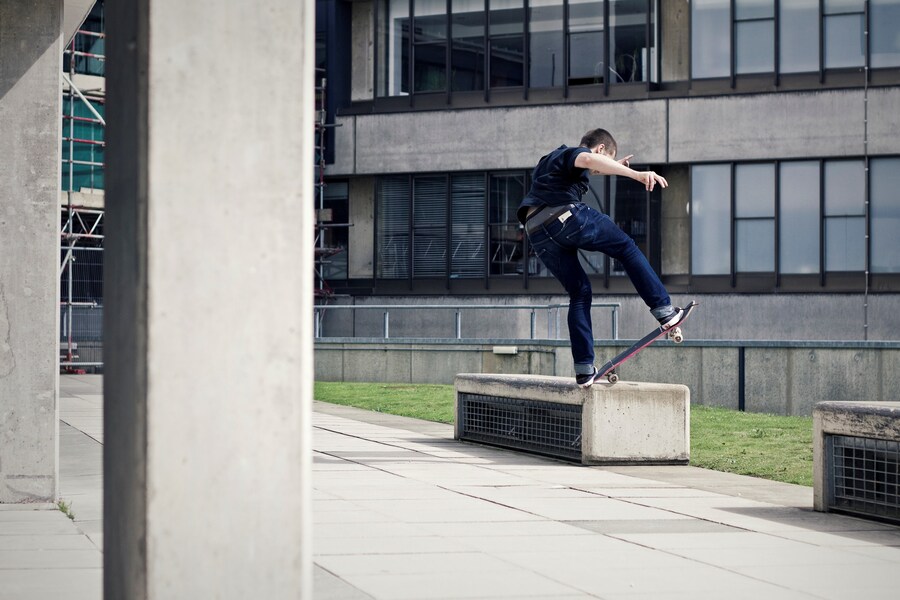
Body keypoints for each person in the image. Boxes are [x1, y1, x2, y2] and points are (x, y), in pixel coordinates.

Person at [518, 128, 685, 388]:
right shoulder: (576, 153)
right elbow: (587, 160)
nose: (597, 170)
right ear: (600, 149)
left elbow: (589, 167)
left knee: (580, 293)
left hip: (537, 232)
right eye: (604, 160)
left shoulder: (549, 164)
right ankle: (665, 311)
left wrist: (612, 165)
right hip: (565, 215)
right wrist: (636, 174)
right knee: (626, 247)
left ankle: (584, 369)